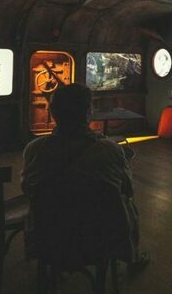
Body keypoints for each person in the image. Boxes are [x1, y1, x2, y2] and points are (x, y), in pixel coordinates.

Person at [21, 83, 149, 273]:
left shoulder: (35, 150)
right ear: (88, 113)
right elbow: (127, 189)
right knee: (128, 203)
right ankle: (133, 257)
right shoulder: (110, 150)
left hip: (50, 238)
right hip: (100, 239)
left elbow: (28, 188)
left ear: (54, 113)